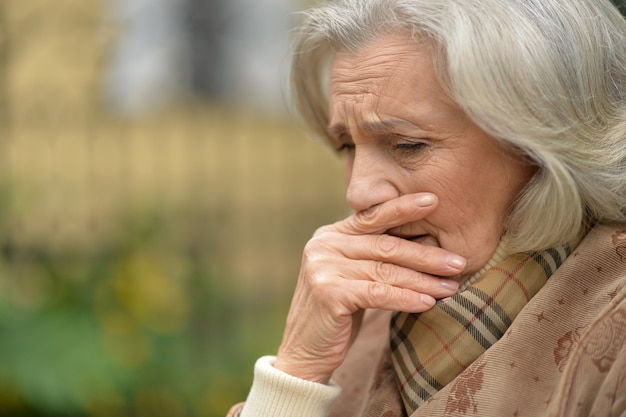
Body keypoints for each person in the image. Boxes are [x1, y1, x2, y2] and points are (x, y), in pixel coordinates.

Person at [227, 0, 626, 415]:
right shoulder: (361, 323)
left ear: (539, 146)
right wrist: (296, 376)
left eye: (407, 145)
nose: (359, 193)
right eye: (346, 145)